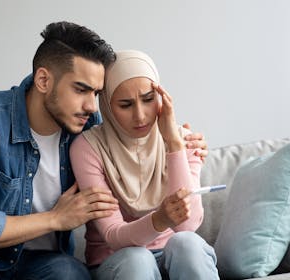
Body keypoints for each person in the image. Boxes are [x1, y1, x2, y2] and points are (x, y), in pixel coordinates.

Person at [0, 21, 208, 279]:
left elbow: (136, 136)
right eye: (81, 90)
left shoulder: (87, 129)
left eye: (96, 93)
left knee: (69, 272)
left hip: (43, 263)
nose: (92, 107)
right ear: (44, 80)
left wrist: (180, 145)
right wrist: (55, 219)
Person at [70, 50, 219, 279]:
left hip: (173, 257)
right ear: (108, 107)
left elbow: (187, 225)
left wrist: (173, 144)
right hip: (118, 262)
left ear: (160, 98)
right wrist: (160, 219)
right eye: (125, 105)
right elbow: (112, 235)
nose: (140, 116)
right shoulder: (88, 148)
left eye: (148, 99)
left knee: (187, 243)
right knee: (136, 258)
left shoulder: (182, 139)